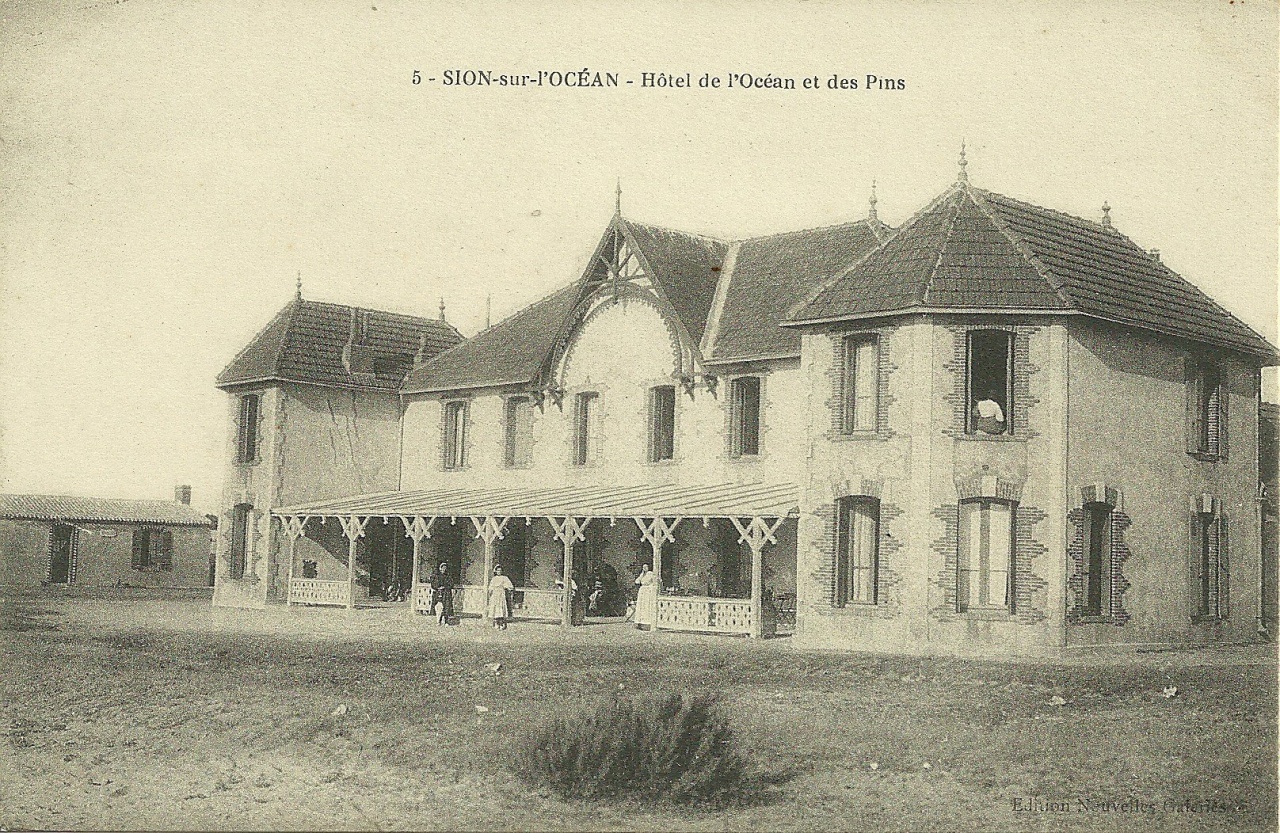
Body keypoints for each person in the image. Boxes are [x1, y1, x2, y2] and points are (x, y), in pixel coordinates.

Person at [488, 564, 515, 629]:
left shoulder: (504, 578)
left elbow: (510, 586)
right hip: (495, 595)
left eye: (500, 570)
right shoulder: (494, 579)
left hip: (501, 594)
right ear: (496, 571)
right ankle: (496, 623)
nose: (499, 572)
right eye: (498, 571)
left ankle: (502, 623)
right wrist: (490, 593)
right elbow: (491, 587)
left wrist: (505, 587)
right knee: (495, 608)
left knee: (501, 607)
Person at [634, 563, 657, 631]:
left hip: (648, 591)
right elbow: (637, 582)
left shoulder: (650, 573)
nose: (644, 568)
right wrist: (641, 575)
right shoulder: (642, 574)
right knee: (641, 606)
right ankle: (640, 622)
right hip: (642, 591)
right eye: (643, 567)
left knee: (646, 605)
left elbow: (654, 582)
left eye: (646, 567)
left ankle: (647, 623)